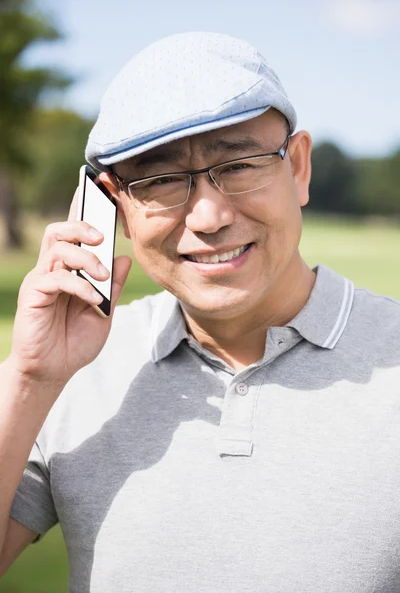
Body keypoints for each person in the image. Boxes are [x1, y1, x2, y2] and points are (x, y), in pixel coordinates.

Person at [0, 32, 400, 593]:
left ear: (300, 167)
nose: (208, 216)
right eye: (160, 180)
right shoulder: (73, 374)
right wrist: (28, 379)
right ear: (117, 206)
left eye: (239, 164)